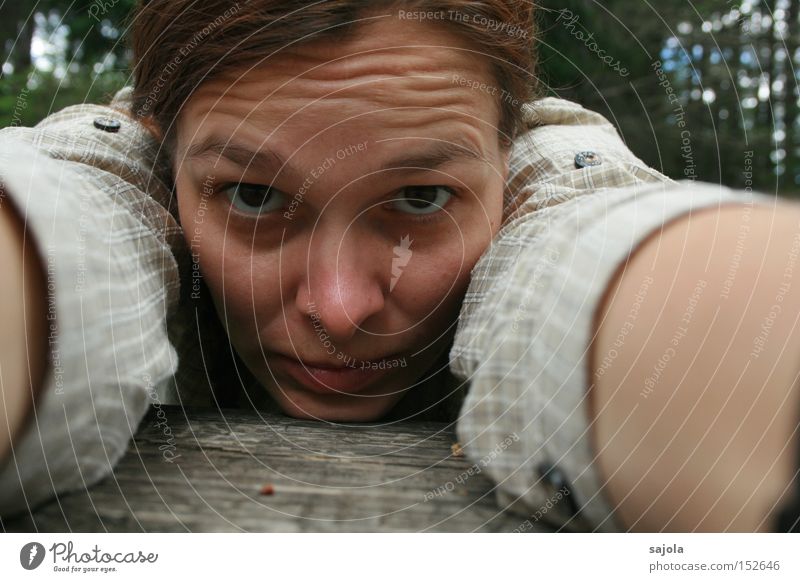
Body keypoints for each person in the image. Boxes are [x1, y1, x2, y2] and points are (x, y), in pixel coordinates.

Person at [0, 0, 798, 532]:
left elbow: (578, 221)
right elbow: (86, 194)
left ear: (506, 160)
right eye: (250, 194)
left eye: (421, 197)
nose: (339, 308)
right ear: (165, 164)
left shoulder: (544, 175)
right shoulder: (133, 171)